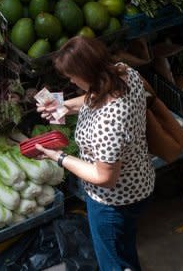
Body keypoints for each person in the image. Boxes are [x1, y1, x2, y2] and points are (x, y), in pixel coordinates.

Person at [35, 36, 155, 271]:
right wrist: (65, 106)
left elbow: (105, 177)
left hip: (113, 202)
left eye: (71, 76)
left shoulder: (109, 120)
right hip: (140, 183)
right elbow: (96, 95)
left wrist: (58, 157)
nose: (70, 80)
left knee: (112, 262)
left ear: (86, 73)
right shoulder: (123, 73)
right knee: (124, 249)